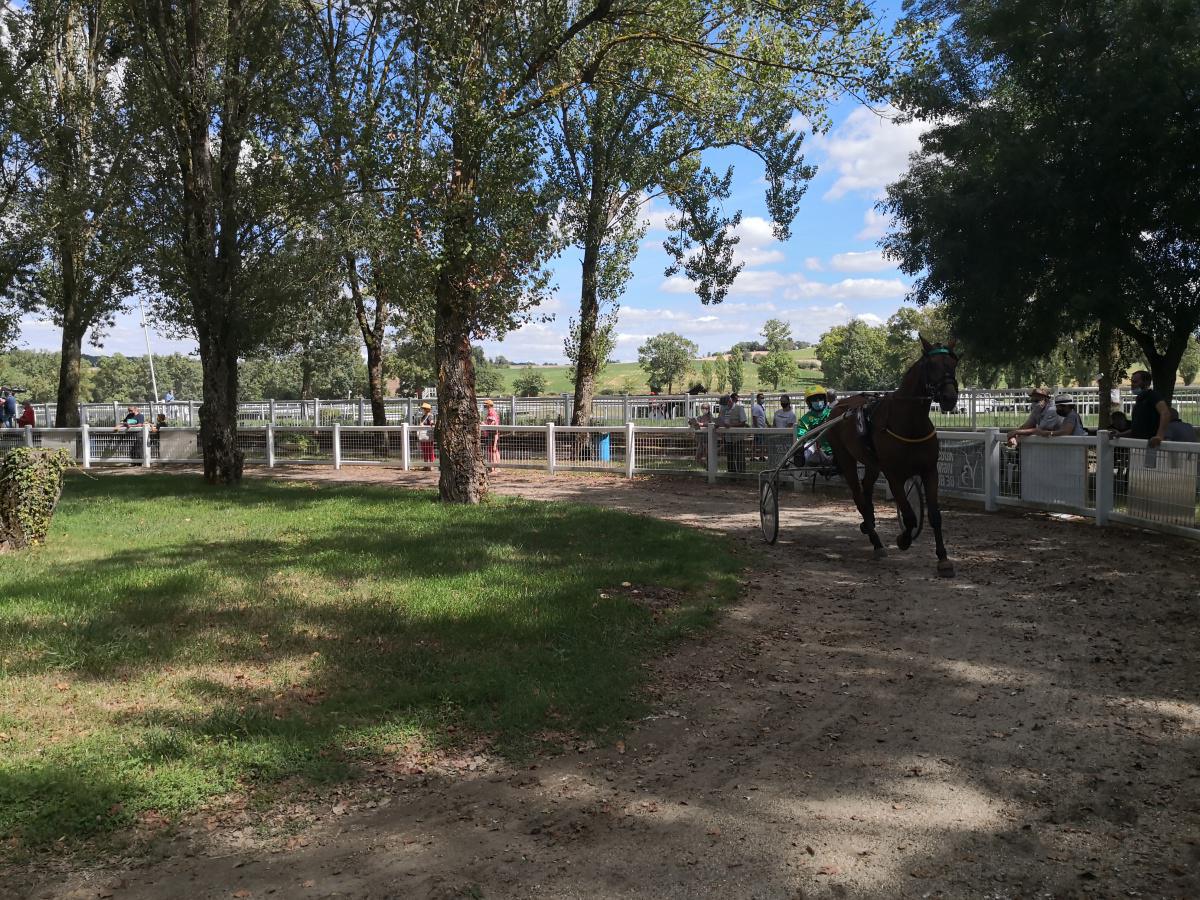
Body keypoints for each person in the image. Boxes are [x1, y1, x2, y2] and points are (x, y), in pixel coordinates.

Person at [1118, 370, 1170, 448]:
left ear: (1146, 383)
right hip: (1138, 445)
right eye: (1132, 382)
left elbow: (1165, 413)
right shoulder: (1139, 400)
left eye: (1135, 382)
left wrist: (1159, 436)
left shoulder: (1152, 396)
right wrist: (1119, 435)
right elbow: (1137, 428)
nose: (1132, 385)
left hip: (1151, 446)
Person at [796, 385, 834, 465]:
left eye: (820, 399)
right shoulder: (805, 419)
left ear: (824, 400)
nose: (818, 401)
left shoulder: (833, 413)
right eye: (814, 400)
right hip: (816, 450)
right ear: (809, 403)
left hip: (835, 447)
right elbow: (801, 437)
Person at [715, 394, 747, 473]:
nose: (723, 407)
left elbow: (743, 423)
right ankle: (731, 475)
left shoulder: (739, 409)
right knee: (730, 457)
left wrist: (731, 426)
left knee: (740, 457)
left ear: (729, 401)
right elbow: (719, 420)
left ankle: (742, 475)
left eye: (724, 405)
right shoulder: (723, 410)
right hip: (727, 438)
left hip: (738, 438)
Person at [482, 398, 501, 466]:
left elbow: (491, 424)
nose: (484, 406)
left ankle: (493, 467)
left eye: (485, 404)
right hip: (495, 433)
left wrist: (483, 424)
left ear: (489, 405)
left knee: (492, 451)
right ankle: (498, 467)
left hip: (492, 434)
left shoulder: (491, 413)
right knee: (495, 450)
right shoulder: (494, 412)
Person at [417, 402, 436, 469]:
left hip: (428, 435)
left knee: (430, 449)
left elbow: (432, 423)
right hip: (423, 435)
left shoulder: (430, 416)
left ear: (426, 409)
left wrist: (430, 424)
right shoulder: (423, 416)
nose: (422, 410)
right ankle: (426, 465)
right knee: (424, 449)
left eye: (423, 409)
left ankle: (431, 465)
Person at [750, 392, 768, 460]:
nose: (762, 399)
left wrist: (768, 424)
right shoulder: (756, 407)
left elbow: (764, 417)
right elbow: (754, 418)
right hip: (759, 429)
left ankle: (759, 456)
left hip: (761, 428)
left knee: (759, 443)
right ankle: (757, 456)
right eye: (761, 398)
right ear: (757, 399)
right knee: (759, 444)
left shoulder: (761, 407)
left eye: (763, 398)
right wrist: (757, 428)